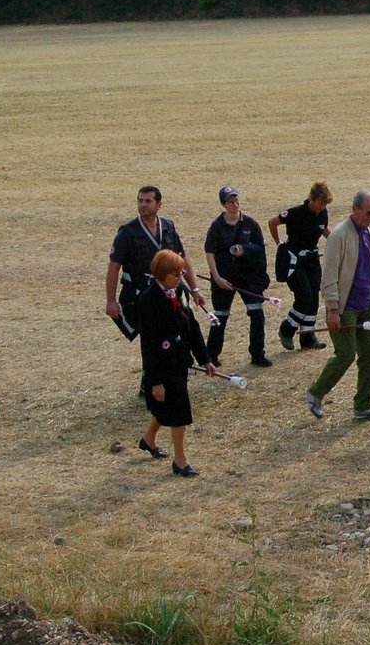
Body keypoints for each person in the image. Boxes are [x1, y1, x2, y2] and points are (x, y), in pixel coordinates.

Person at [306, 190, 370, 421]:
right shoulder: (338, 236)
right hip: (344, 307)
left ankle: (363, 405)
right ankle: (315, 392)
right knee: (345, 355)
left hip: (367, 303)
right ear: (355, 208)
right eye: (368, 212)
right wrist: (333, 310)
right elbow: (329, 276)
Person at [135, 249, 214, 478]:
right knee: (179, 410)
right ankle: (180, 460)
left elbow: (192, 326)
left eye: (180, 274)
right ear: (161, 275)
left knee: (167, 406)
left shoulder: (179, 291)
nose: (180, 279)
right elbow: (148, 345)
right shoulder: (148, 301)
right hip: (162, 364)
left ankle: (148, 439)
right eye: (175, 275)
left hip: (180, 359)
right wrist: (155, 382)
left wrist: (205, 359)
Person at [105, 185, 206, 350]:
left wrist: (194, 289)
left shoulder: (168, 227)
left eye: (148, 201)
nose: (143, 205)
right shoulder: (127, 232)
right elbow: (114, 267)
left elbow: (182, 258)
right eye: (140, 201)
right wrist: (111, 301)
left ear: (159, 205)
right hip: (144, 293)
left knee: (184, 325)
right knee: (153, 338)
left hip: (170, 289)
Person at [204, 186, 272, 368]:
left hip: (248, 277)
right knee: (220, 315)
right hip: (224, 278)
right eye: (230, 202)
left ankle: (258, 354)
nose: (234, 204)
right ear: (223, 205)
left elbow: (260, 250)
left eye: (236, 200)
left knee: (257, 314)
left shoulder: (251, 224)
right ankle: (211, 355)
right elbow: (209, 252)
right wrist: (217, 278)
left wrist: (246, 252)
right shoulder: (217, 226)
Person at [271, 181, 332, 352]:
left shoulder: (322, 213)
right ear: (312, 199)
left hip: (312, 260)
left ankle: (308, 336)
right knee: (304, 296)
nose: (322, 207)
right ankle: (287, 329)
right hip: (294, 261)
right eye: (320, 203)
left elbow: (324, 230)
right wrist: (279, 244)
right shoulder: (294, 213)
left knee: (313, 297)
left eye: (325, 204)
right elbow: (272, 222)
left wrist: (335, 242)